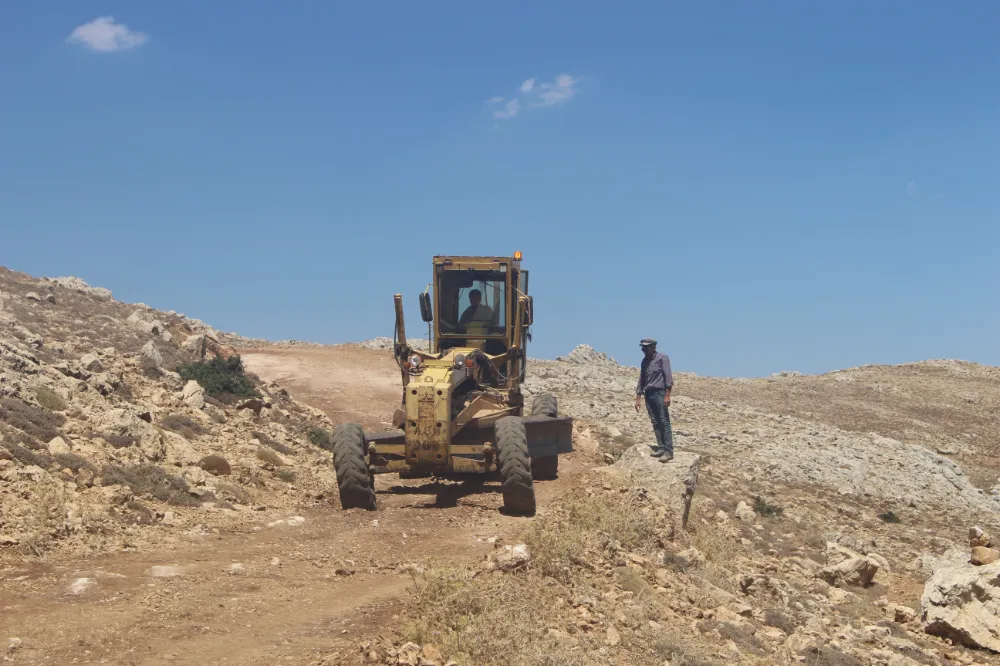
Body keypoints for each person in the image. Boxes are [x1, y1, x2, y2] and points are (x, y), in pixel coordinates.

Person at [634, 338, 674, 462]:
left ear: (653, 347)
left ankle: (669, 451)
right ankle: (661, 447)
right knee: (655, 421)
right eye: (642, 347)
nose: (643, 350)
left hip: (660, 393)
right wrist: (638, 397)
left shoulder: (662, 358)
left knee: (664, 421)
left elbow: (668, 377)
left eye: (645, 347)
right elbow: (642, 378)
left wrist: (667, 396)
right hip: (648, 394)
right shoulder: (644, 361)